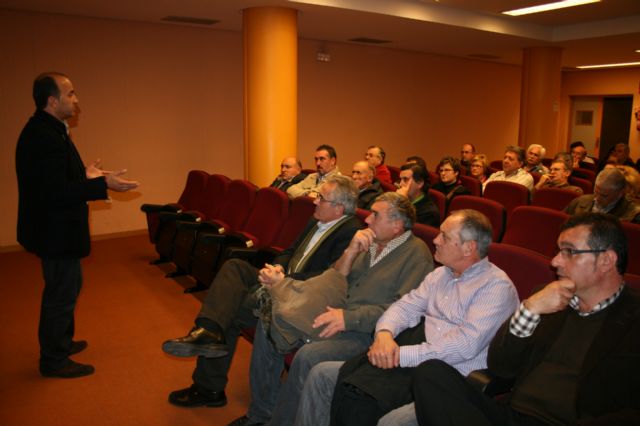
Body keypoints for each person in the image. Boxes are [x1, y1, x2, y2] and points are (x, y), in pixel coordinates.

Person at [412, 213, 640, 425]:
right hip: (513, 414)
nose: (555, 262)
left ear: (606, 260)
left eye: (569, 252)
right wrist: (529, 310)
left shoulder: (633, 316)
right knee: (431, 373)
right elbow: (501, 368)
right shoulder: (547, 298)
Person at [297, 210, 520, 426]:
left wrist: (399, 355)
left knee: (391, 421)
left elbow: (463, 346)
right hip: (411, 354)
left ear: (468, 248)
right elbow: (404, 307)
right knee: (322, 376)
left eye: (445, 236)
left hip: (450, 377)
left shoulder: (495, 287)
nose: (436, 240)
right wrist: (384, 334)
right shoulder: (440, 274)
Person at [232, 192, 434, 426]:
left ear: (397, 225)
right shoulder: (369, 242)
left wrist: (349, 319)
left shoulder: (416, 255)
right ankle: (261, 414)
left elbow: (402, 310)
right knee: (270, 324)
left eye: (375, 215)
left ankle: (281, 422)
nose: (367, 220)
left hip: (366, 332)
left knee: (309, 356)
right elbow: (335, 276)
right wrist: (350, 251)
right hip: (333, 311)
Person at [163, 175, 361, 408]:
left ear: (338, 208)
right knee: (234, 266)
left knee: (229, 310)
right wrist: (278, 266)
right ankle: (208, 329)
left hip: (300, 296)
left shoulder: (350, 233)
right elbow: (290, 250)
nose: (314, 201)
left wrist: (283, 279)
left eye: (321, 198)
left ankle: (208, 381)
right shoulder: (315, 221)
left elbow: (330, 278)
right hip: (281, 282)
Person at [15, 72, 139, 378]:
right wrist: (103, 185)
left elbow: (57, 179)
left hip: (58, 228)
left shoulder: (52, 130)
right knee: (61, 292)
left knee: (69, 287)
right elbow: (54, 192)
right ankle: (53, 359)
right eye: (70, 94)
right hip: (54, 231)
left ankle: (62, 342)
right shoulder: (42, 137)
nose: (76, 100)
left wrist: (86, 174)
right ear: (52, 100)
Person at [565, 168, 640, 223]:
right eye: (595, 192)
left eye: (604, 196)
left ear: (620, 193)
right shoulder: (580, 201)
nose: (597, 199)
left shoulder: (634, 214)